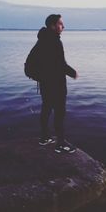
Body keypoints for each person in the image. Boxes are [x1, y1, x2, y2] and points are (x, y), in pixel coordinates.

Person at [36, 14, 78, 153]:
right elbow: (60, 64)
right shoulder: (54, 41)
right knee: (60, 113)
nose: (63, 27)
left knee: (46, 109)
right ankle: (60, 144)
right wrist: (73, 73)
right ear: (52, 26)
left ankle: (44, 138)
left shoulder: (42, 39)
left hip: (44, 82)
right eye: (60, 24)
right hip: (56, 84)